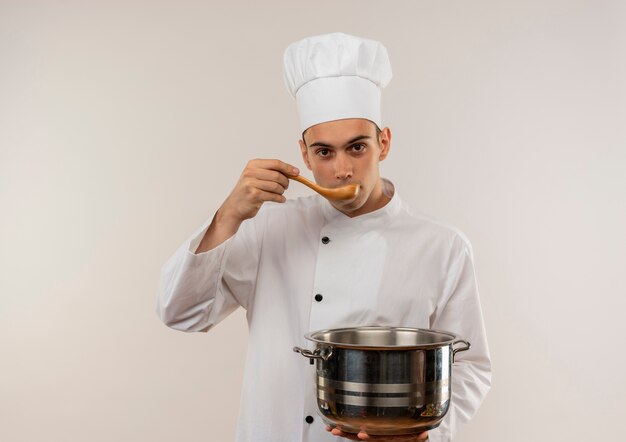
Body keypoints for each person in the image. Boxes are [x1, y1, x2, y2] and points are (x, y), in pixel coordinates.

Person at [156, 32, 491, 442]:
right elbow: (181, 314)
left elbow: (470, 365)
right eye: (325, 152)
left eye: (357, 147)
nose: (342, 170)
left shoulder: (442, 245)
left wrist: (424, 435)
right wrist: (228, 216)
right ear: (304, 154)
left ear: (383, 143)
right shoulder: (268, 226)